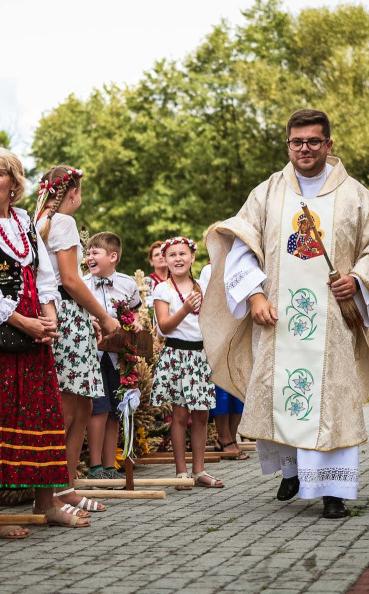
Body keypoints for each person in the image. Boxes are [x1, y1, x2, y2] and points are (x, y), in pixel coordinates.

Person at [202, 108, 369, 519]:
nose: (304, 149)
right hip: (278, 318)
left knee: (333, 400)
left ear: (329, 144)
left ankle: (333, 492)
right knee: (282, 394)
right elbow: (241, 246)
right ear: (288, 144)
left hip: (333, 323)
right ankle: (292, 468)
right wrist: (253, 297)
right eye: (297, 142)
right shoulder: (268, 193)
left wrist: (358, 281)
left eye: (313, 141)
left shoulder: (358, 197)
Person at [0, 147, 89, 537]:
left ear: (13, 182)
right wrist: (24, 320)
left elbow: (44, 275)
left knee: (39, 413)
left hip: (32, 331)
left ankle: (46, 503)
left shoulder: (24, 221)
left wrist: (50, 317)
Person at [34, 166, 121, 513]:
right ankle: (59, 489)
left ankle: (66, 485)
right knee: (70, 408)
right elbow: (70, 279)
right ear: (73, 193)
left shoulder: (37, 220)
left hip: (62, 314)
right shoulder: (65, 223)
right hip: (67, 316)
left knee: (82, 406)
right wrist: (103, 315)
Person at [151, 237, 224, 489]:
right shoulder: (163, 289)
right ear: (166, 261)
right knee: (180, 415)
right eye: (172, 255)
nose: (178, 259)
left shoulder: (202, 285)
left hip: (200, 356)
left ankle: (199, 470)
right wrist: (183, 309)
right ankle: (181, 472)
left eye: (183, 254)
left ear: (192, 257)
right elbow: (163, 326)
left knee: (202, 415)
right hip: (177, 355)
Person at [82, 231, 141, 479]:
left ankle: (110, 466)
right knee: (98, 409)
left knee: (116, 409)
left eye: (95, 252)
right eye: (87, 253)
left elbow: (134, 312)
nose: (89, 257)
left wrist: (135, 324)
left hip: (119, 357)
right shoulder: (81, 284)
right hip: (91, 356)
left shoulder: (128, 283)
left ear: (113, 256)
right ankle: (94, 466)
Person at [199, 227, 248, 461]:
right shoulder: (208, 270)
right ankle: (223, 437)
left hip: (239, 331)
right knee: (221, 388)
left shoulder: (244, 268)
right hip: (218, 335)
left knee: (238, 387)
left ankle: (234, 435)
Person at [144, 240, 167, 305]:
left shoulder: (177, 280)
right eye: (157, 255)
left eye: (163, 254)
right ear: (151, 261)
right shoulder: (146, 282)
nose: (161, 257)